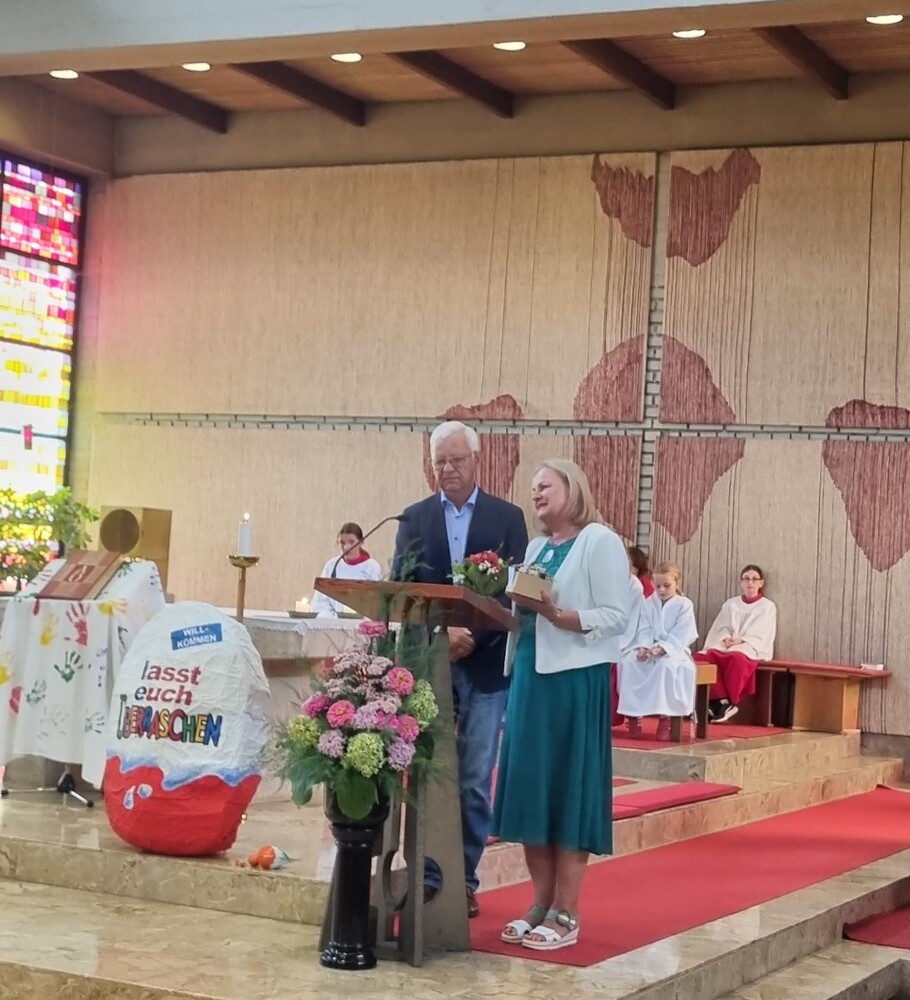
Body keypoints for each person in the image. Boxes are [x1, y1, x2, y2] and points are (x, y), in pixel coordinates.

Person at [391, 420, 528, 919]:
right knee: (427, 773)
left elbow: (515, 593)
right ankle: (426, 875)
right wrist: (440, 633)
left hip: (486, 666)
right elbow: (400, 588)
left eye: (456, 460)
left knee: (472, 777)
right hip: (430, 664)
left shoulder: (507, 517)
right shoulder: (413, 518)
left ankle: (464, 879)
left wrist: (473, 635)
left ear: (476, 460)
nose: (448, 469)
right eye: (440, 462)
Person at [492, 459, 630, 952]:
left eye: (545, 486)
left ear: (573, 488)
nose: (536, 494)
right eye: (533, 489)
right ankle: (540, 903)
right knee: (533, 790)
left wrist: (555, 613)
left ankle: (567, 911)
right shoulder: (536, 548)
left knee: (568, 790)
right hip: (531, 675)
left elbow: (616, 616)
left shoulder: (599, 541)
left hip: (574, 680)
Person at [616, 562, 698, 740]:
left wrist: (664, 648)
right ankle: (633, 716)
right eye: (657, 585)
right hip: (650, 647)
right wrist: (644, 647)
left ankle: (665, 717)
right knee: (629, 663)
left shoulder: (684, 604)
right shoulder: (647, 603)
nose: (661, 590)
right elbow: (644, 628)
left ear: (677, 583)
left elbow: (683, 632)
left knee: (665, 667)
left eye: (666, 585)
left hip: (674, 649)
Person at [696, 564, 777, 724]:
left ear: (761, 583)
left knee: (737, 658)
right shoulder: (731, 604)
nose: (750, 583)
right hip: (727, 642)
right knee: (705, 657)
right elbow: (722, 625)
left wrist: (741, 640)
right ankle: (721, 701)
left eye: (754, 579)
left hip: (749, 644)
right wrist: (725, 637)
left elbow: (763, 631)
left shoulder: (767, 606)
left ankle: (730, 701)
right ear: (741, 582)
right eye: (746, 579)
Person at [310, 522, 383, 617]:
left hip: (361, 619)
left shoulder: (371, 566)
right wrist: (332, 617)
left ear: (361, 542)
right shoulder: (332, 565)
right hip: (334, 620)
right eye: (342, 542)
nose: (346, 547)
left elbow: (375, 602)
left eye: (351, 542)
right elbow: (320, 601)